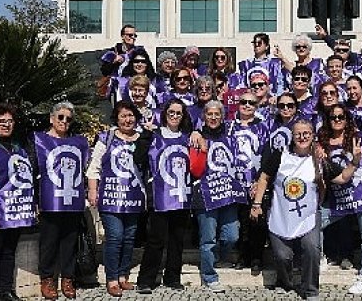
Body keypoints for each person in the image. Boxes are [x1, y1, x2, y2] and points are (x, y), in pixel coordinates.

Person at [317, 104, 362, 295]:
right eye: (333, 117)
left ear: (347, 119)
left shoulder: (359, 137)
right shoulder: (322, 142)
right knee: (315, 223)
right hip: (338, 195)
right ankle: (320, 257)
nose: (337, 120)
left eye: (341, 117)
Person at [250, 119, 322, 301]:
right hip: (281, 212)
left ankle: (310, 289)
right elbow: (264, 177)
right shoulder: (280, 155)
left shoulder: (319, 156)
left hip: (308, 212)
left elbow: (339, 177)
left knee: (312, 248)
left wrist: (354, 162)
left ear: (312, 136)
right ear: (292, 136)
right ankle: (285, 282)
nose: (302, 137)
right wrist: (257, 203)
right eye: (298, 133)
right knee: (282, 255)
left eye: (306, 133)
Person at [28, 102, 89, 301]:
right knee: (49, 241)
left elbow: (84, 172)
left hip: (72, 201)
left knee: (70, 241)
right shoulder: (39, 141)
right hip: (49, 200)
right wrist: (35, 199)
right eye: (60, 117)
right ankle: (47, 278)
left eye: (68, 119)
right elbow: (33, 171)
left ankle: (68, 278)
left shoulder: (78, 143)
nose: (64, 122)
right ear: (52, 119)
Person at [134, 99, 194, 294]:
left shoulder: (187, 137)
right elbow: (139, 158)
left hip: (182, 195)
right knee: (156, 240)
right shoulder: (155, 134)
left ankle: (172, 278)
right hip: (160, 197)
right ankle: (145, 280)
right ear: (165, 114)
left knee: (177, 240)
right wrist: (145, 134)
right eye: (171, 112)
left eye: (178, 113)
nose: (175, 116)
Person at [87, 101, 146, 297]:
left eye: (131, 115)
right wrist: (93, 191)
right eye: (123, 116)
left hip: (133, 197)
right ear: (116, 118)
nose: (127, 119)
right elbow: (95, 167)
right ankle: (111, 278)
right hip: (111, 196)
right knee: (115, 236)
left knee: (129, 238)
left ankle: (123, 276)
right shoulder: (107, 138)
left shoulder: (142, 138)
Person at [0, 103, 35, 301]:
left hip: (16, 210)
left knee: (10, 250)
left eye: (9, 121)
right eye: (1, 122)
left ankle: (7, 289)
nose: (6, 125)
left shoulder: (19, 148)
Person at [189, 101, 245, 293]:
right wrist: (202, 150)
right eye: (209, 114)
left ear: (222, 117)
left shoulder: (231, 136)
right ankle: (209, 277)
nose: (213, 118)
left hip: (227, 193)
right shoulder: (197, 137)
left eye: (217, 114)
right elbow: (195, 170)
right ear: (204, 116)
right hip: (205, 195)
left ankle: (218, 258)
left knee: (231, 235)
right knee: (208, 239)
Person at [229, 91, 270, 273]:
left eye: (251, 103)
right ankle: (242, 256)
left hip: (254, 181)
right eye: (243, 102)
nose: (247, 105)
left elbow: (266, 155)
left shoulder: (262, 127)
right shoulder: (229, 126)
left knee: (257, 222)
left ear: (256, 106)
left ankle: (256, 258)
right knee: (240, 223)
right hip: (234, 182)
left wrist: (259, 181)